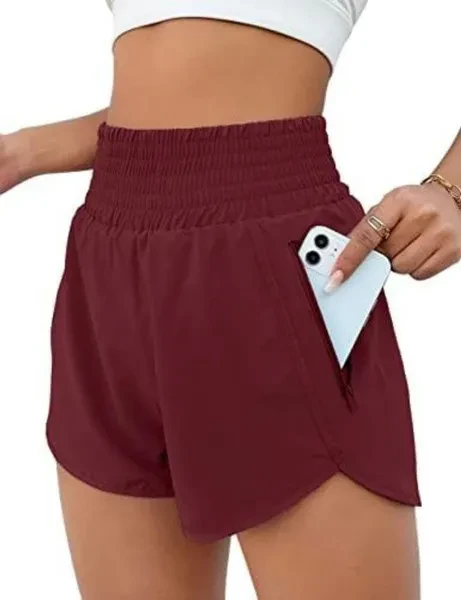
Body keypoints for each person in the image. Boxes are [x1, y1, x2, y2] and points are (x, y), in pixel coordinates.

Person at [1, 2, 460, 598]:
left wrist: (453, 187)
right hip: (107, 263)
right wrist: (23, 152)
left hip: (266, 250)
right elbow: (177, 96)